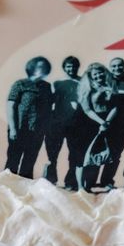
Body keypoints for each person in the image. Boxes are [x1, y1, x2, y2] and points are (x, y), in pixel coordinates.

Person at [5, 56, 53, 179]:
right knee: (13, 161)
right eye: (40, 66)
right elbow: (11, 106)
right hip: (20, 128)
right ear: (32, 67)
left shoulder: (47, 87)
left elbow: (48, 109)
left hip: (37, 131)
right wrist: (13, 129)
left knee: (29, 163)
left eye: (45, 67)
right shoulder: (20, 84)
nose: (44, 69)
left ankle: (24, 193)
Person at [71, 62, 116, 192]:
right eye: (95, 74)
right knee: (81, 157)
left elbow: (115, 107)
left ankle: (88, 185)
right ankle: (80, 187)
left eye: (100, 73)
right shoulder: (87, 88)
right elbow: (87, 110)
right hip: (86, 125)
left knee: (95, 157)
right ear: (91, 76)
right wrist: (102, 122)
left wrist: (106, 122)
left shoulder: (110, 86)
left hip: (105, 123)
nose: (98, 76)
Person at [98, 57, 124, 189]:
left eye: (119, 65)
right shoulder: (104, 81)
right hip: (103, 123)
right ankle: (90, 180)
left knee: (115, 154)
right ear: (110, 67)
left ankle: (107, 180)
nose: (117, 68)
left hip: (122, 125)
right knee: (98, 151)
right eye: (114, 66)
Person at [42, 55, 80, 189]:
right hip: (57, 122)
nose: (72, 68)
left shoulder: (83, 82)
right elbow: (50, 101)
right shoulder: (57, 83)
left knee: (74, 154)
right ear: (64, 68)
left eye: (74, 66)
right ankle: (51, 180)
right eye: (69, 66)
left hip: (75, 123)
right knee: (52, 153)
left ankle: (71, 181)